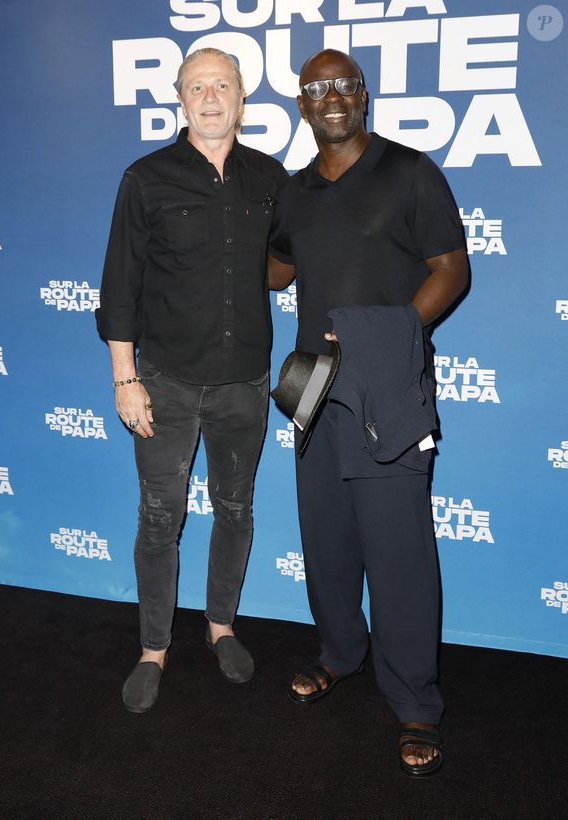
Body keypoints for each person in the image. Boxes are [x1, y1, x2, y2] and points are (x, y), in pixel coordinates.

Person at [268, 49, 468, 776]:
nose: (330, 98)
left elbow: (453, 269)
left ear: (363, 95)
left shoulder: (410, 172)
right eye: (315, 88)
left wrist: (384, 335)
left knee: (400, 552)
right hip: (310, 385)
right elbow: (278, 268)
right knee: (325, 539)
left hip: (387, 384)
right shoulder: (291, 193)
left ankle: (415, 700)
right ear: (301, 103)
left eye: (343, 86)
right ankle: (339, 654)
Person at [96, 48, 289, 714]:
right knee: (160, 517)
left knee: (236, 510)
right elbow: (120, 284)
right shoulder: (145, 178)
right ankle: (153, 647)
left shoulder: (270, 178)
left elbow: (294, 260)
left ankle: (221, 626)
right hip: (167, 380)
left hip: (245, 382)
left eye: (222, 85)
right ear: (180, 99)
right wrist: (126, 378)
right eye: (196, 87)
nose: (210, 97)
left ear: (243, 97)